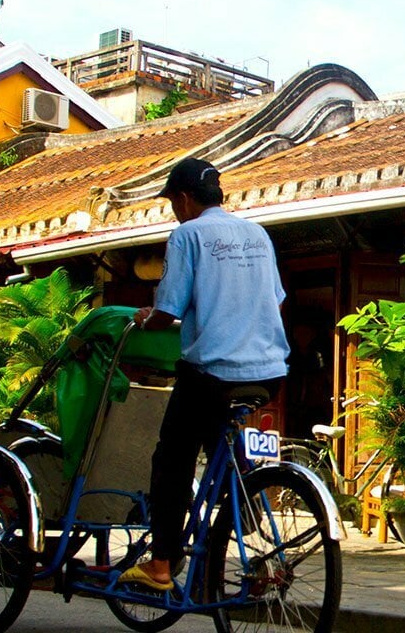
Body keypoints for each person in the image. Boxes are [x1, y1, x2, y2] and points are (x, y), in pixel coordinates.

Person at [122, 157, 289, 591]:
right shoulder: (258, 234)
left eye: (173, 204)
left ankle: (162, 562)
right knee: (221, 444)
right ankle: (244, 522)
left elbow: (168, 310)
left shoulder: (188, 235)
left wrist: (145, 319)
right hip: (269, 371)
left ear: (182, 199)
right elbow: (275, 299)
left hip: (211, 374)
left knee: (172, 458)